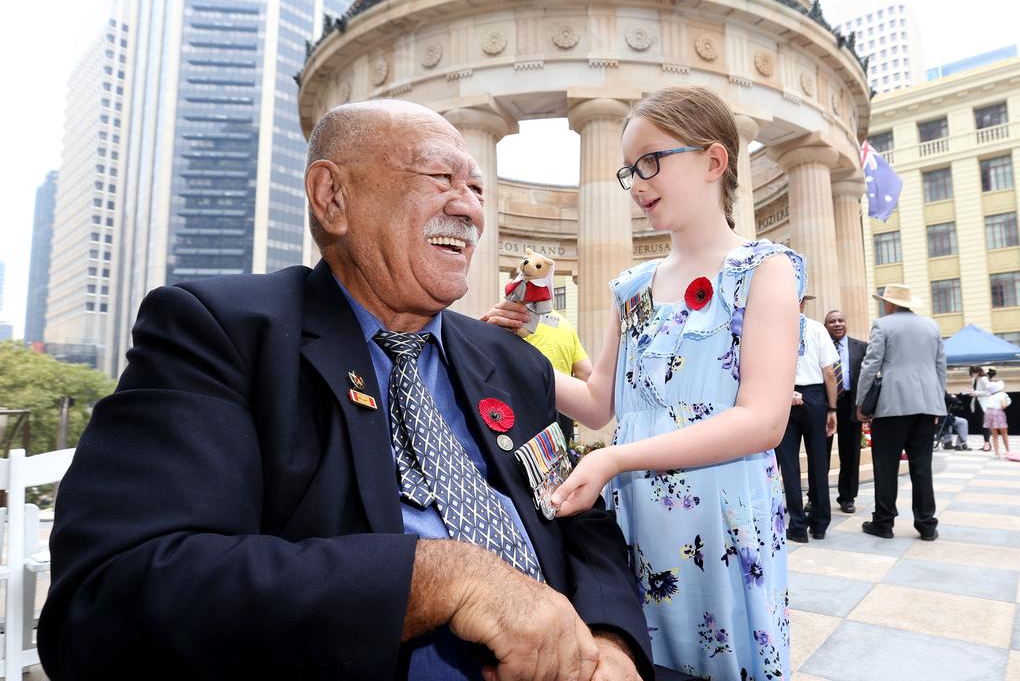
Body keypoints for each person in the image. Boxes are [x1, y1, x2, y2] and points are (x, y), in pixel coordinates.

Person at [38, 100, 654, 681]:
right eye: (440, 176)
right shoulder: (220, 333)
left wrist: (611, 643)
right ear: (333, 197)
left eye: (476, 189)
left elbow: (581, 522)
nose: (469, 209)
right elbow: (112, 597)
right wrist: (442, 579)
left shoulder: (509, 360)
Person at [485, 86, 801, 680]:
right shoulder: (631, 287)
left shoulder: (766, 268)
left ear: (714, 161)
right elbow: (598, 403)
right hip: (636, 517)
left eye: (652, 160)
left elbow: (763, 419)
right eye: (630, 168)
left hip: (723, 518)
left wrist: (615, 460)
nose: (636, 180)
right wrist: (505, 349)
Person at [856, 283, 946, 542]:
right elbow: (941, 367)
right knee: (922, 467)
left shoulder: (883, 325)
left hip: (892, 406)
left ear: (890, 304)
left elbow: (871, 364)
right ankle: (926, 523)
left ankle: (884, 522)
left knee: (885, 467)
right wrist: (937, 404)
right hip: (927, 405)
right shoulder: (932, 326)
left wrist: (861, 402)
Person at [779, 297, 838, 541]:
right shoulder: (817, 328)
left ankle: (797, 525)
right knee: (818, 462)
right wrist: (832, 408)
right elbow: (829, 372)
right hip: (815, 396)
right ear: (803, 303)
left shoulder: (775, 328)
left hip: (785, 394)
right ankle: (820, 523)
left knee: (789, 464)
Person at [522, 308, 593, 446]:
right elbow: (586, 373)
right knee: (560, 459)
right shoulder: (566, 325)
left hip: (528, 403)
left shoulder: (519, 319)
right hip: (563, 407)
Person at [824, 309, 867, 513]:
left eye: (841, 320)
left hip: (851, 404)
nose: (837, 324)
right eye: (832, 321)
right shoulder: (821, 346)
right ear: (826, 326)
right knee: (820, 453)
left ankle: (847, 497)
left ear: (846, 323)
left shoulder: (861, 347)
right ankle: (817, 496)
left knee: (850, 454)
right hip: (826, 404)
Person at [979, 368, 1012, 457]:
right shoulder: (1002, 394)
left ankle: (997, 453)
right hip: (998, 413)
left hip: (988, 413)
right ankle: (1007, 450)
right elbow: (1004, 405)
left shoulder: (990, 396)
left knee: (994, 435)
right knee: (1004, 432)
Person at [967, 365, 992, 451]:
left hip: (984, 403)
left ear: (979, 372)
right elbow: (975, 390)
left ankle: (987, 443)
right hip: (977, 403)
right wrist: (971, 392)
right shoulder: (974, 379)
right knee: (982, 423)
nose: (974, 374)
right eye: (972, 373)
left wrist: (976, 392)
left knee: (985, 424)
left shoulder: (984, 379)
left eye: (975, 372)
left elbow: (988, 391)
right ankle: (986, 442)